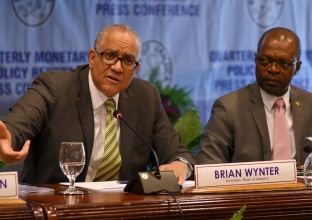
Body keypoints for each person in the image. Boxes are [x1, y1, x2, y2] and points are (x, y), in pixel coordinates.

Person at [0, 24, 196, 184]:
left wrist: (181, 165)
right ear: (93, 57)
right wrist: (6, 141)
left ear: (136, 69)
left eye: (128, 61)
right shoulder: (55, 88)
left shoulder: (146, 97)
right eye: (110, 56)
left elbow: (178, 153)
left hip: (122, 210)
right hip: (56, 209)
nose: (118, 68)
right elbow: (16, 127)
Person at [197, 27, 312, 166]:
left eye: (283, 64)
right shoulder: (229, 108)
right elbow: (208, 165)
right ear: (255, 60)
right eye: (265, 60)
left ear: (297, 68)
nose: (273, 69)